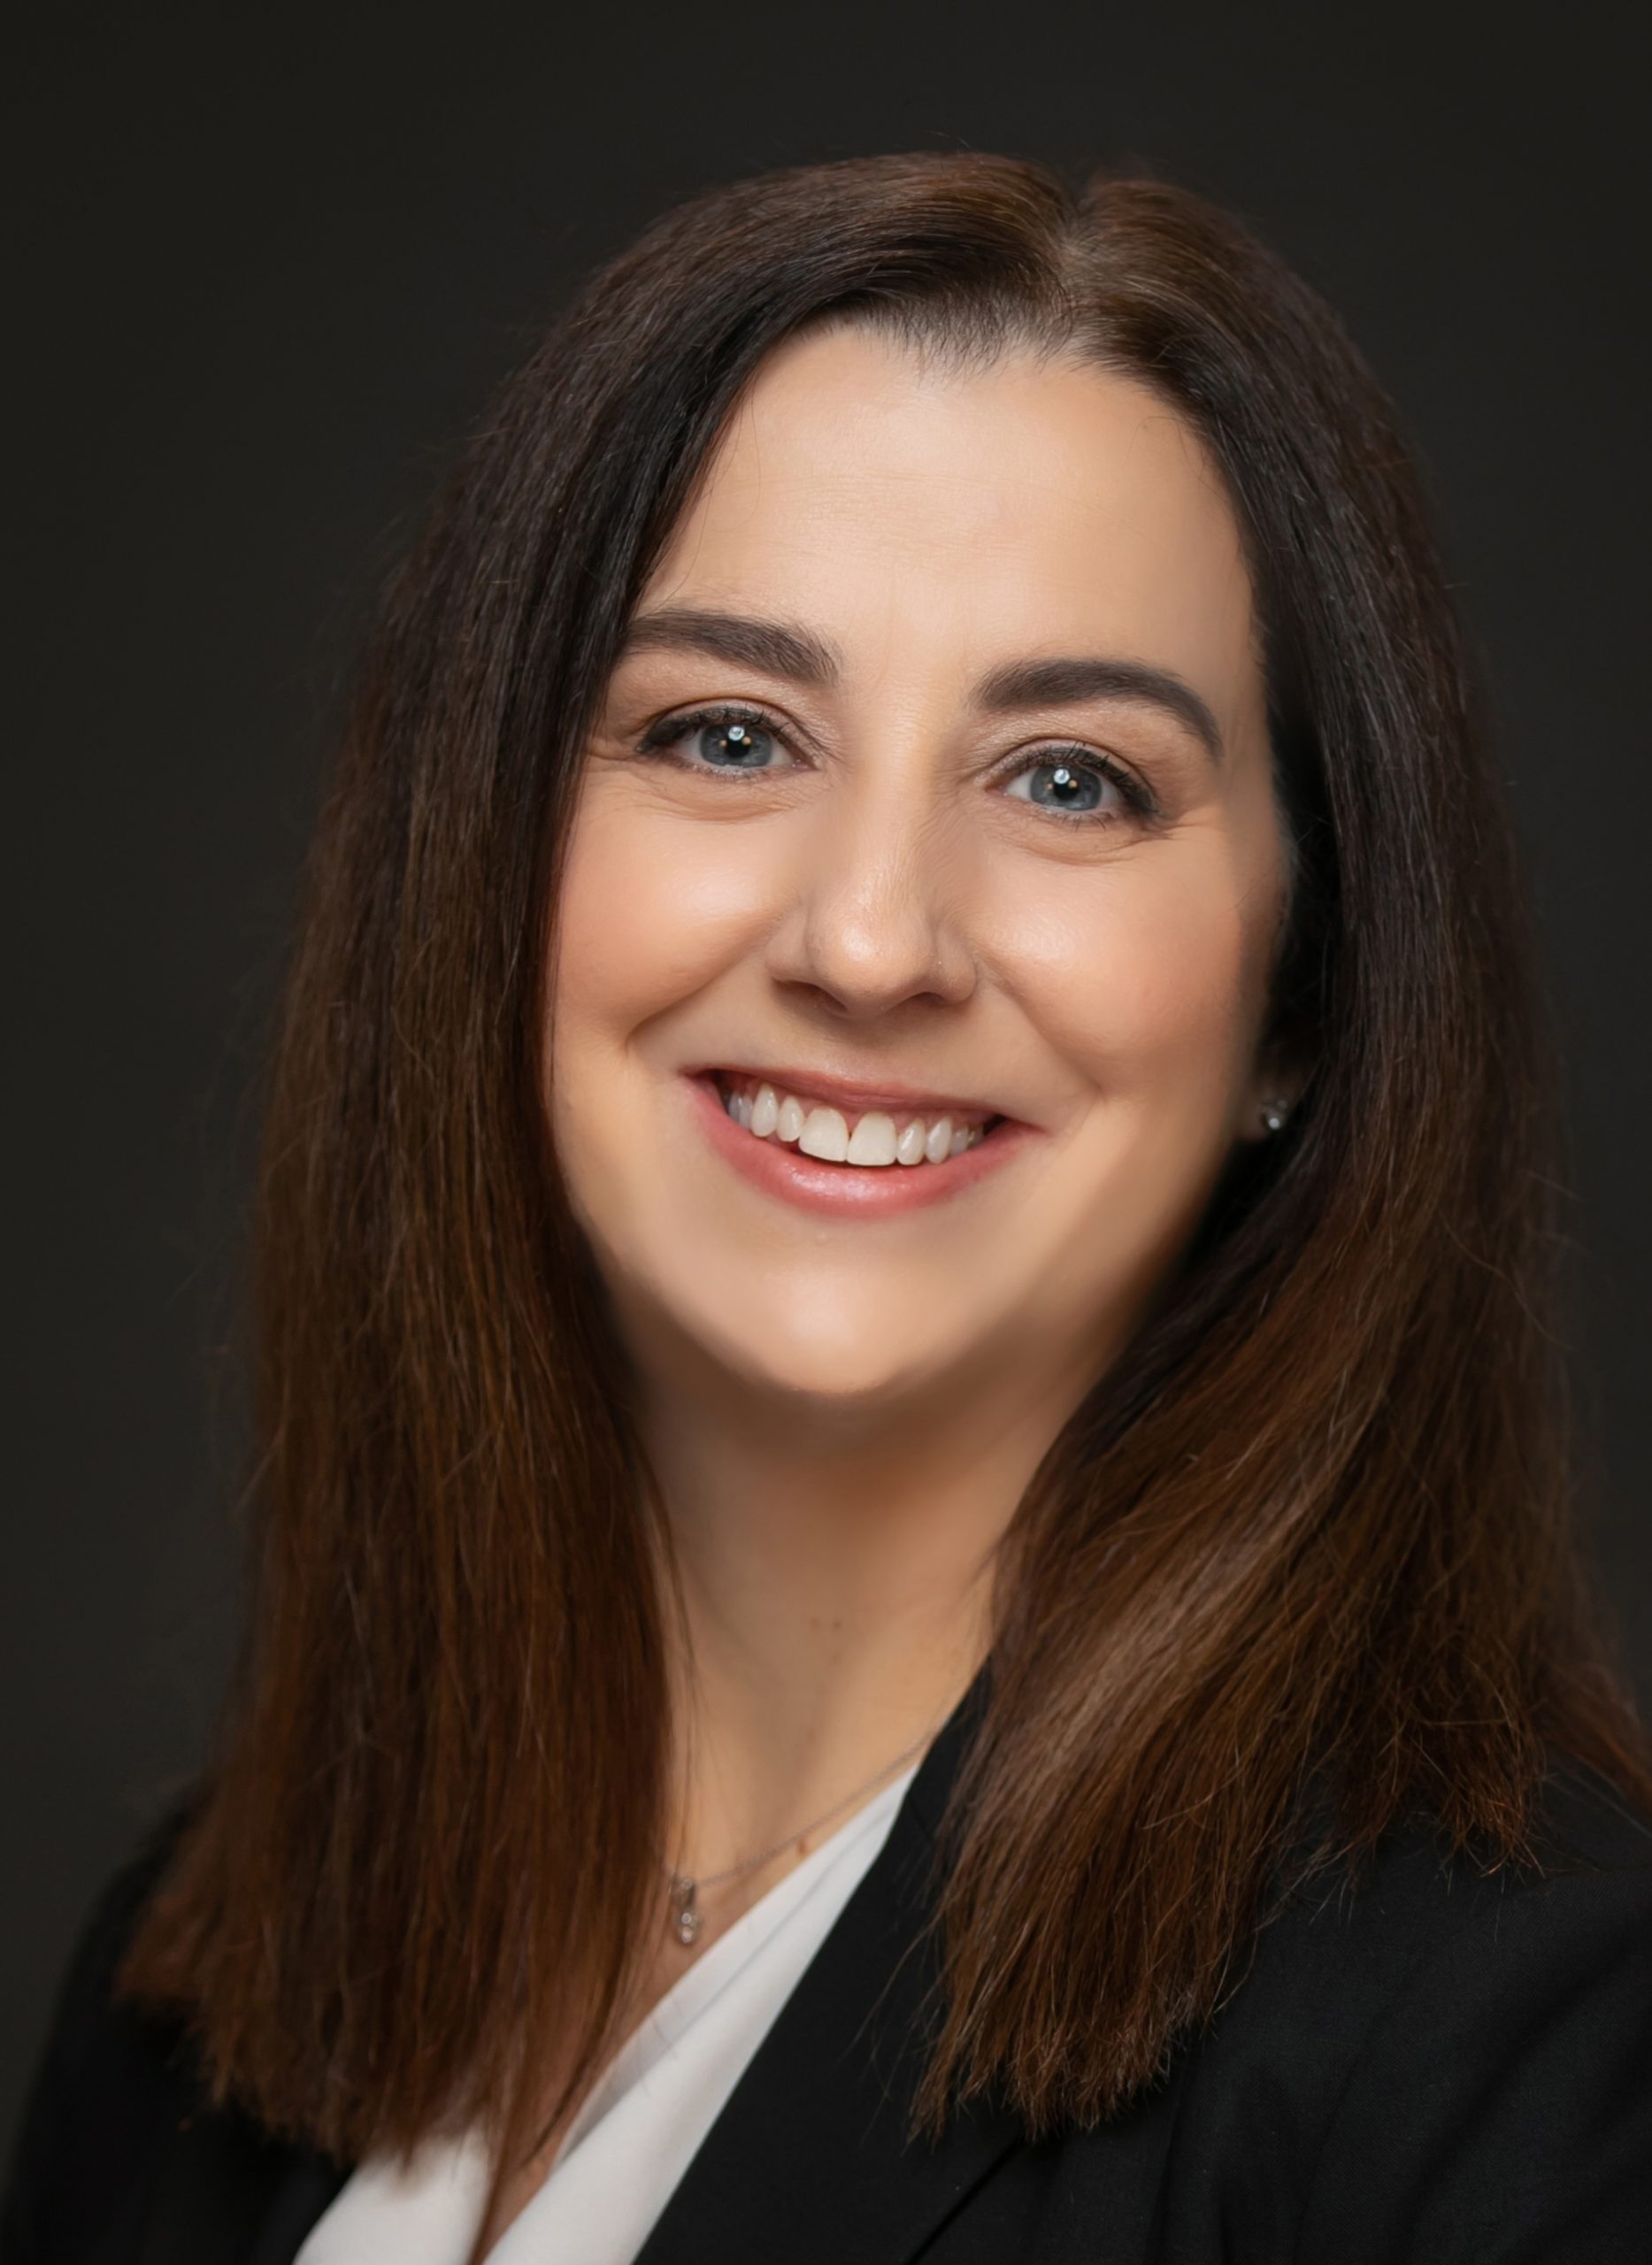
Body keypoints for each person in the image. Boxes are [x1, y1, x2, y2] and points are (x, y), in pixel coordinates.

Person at [4, 149, 1650, 2265]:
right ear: (481, 871)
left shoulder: (1526, 2066)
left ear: (1297, 1002)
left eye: (1071, 777)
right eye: (723, 731)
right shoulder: (196, 2000)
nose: (872, 940)